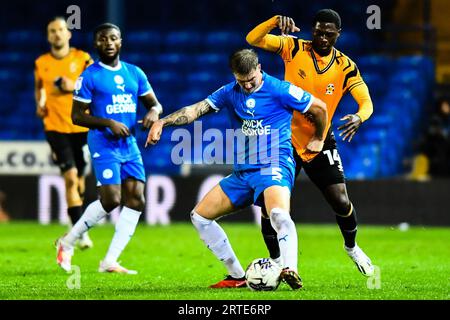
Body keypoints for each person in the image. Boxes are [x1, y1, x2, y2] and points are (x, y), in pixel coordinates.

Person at [146, 49, 328, 289]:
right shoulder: (229, 92)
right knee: (199, 217)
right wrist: (162, 121)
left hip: (274, 164)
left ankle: (290, 269)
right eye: (242, 81)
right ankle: (237, 276)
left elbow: (320, 108)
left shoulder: (280, 89)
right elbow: (195, 110)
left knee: (278, 215)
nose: (248, 85)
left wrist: (319, 138)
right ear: (234, 76)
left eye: (251, 79)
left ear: (259, 68)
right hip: (243, 172)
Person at [246, 9, 375, 277]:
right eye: (318, 32)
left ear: (338, 34)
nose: (323, 38)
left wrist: (360, 118)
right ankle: (276, 263)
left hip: (320, 141)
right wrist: (272, 20)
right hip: (284, 139)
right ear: (312, 30)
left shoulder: (346, 66)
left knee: (340, 200)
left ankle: (351, 247)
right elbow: (253, 39)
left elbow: (366, 103)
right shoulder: (293, 48)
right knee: (272, 208)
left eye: (329, 34)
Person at [55, 23, 163, 274]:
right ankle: (68, 242)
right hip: (103, 143)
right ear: (96, 44)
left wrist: (152, 113)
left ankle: (109, 261)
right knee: (112, 199)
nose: (109, 43)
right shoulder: (89, 76)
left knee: (136, 199)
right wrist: (108, 123)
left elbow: (156, 104)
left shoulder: (134, 73)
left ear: (121, 42)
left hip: (129, 143)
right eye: (103, 39)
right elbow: (77, 116)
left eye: (113, 38)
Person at [34, 17, 94, 249]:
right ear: (48, 36)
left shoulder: (82, 58)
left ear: (69, 34)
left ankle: (77, 225)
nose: (57, 34)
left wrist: (73, 85)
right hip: (55, 127)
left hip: (81, 127)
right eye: (52, 31)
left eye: (61, 30)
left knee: (79, 181)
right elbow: (39, 90)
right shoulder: (41, 63)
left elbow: (96, 85)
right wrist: (40, 104)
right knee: (69, 178)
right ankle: (80, 234)